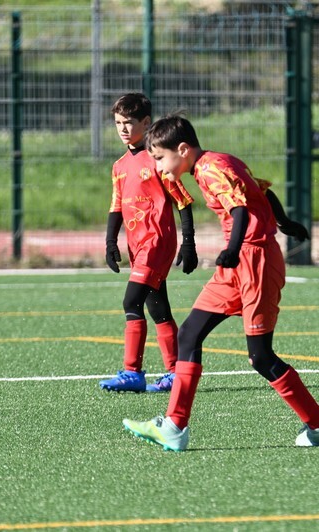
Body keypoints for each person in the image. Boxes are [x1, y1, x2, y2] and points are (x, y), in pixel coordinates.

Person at [122, 115, 319, 451]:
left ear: (182, 150)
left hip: (254, 261)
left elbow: (239, 209)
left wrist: (232, 248)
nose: (158, 167)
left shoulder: (211, 169)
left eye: (160, 158)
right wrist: (284, 222)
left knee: (261, 356)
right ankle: (174, 427)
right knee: (189, 334)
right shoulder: (219, 161)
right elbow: (261, 191)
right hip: (237, 263)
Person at [98, 94, 198, 394]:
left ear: (146, 123)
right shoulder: (119, 165)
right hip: (138, 245)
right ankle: (176, 372)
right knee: (158, 308)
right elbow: (116, 205)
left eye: (129, 122)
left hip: (156, 242)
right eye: (118, 123)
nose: (123, 128)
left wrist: (189, 242)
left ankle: (133, 372)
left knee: (131, 302)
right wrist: (110, 242)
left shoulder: (157, 160)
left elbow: (183, 201)